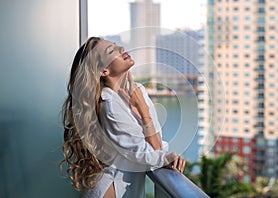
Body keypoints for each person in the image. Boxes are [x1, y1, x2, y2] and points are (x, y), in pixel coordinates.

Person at [60, 37, 186, 198]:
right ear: (104, 71)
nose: (120, 48)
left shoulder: (138, 91)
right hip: (110, 190)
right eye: (111, 51)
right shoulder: (110, 106)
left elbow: (157, 147)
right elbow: (149, 153)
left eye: (116, 45)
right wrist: (143, 110)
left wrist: (142, 106)